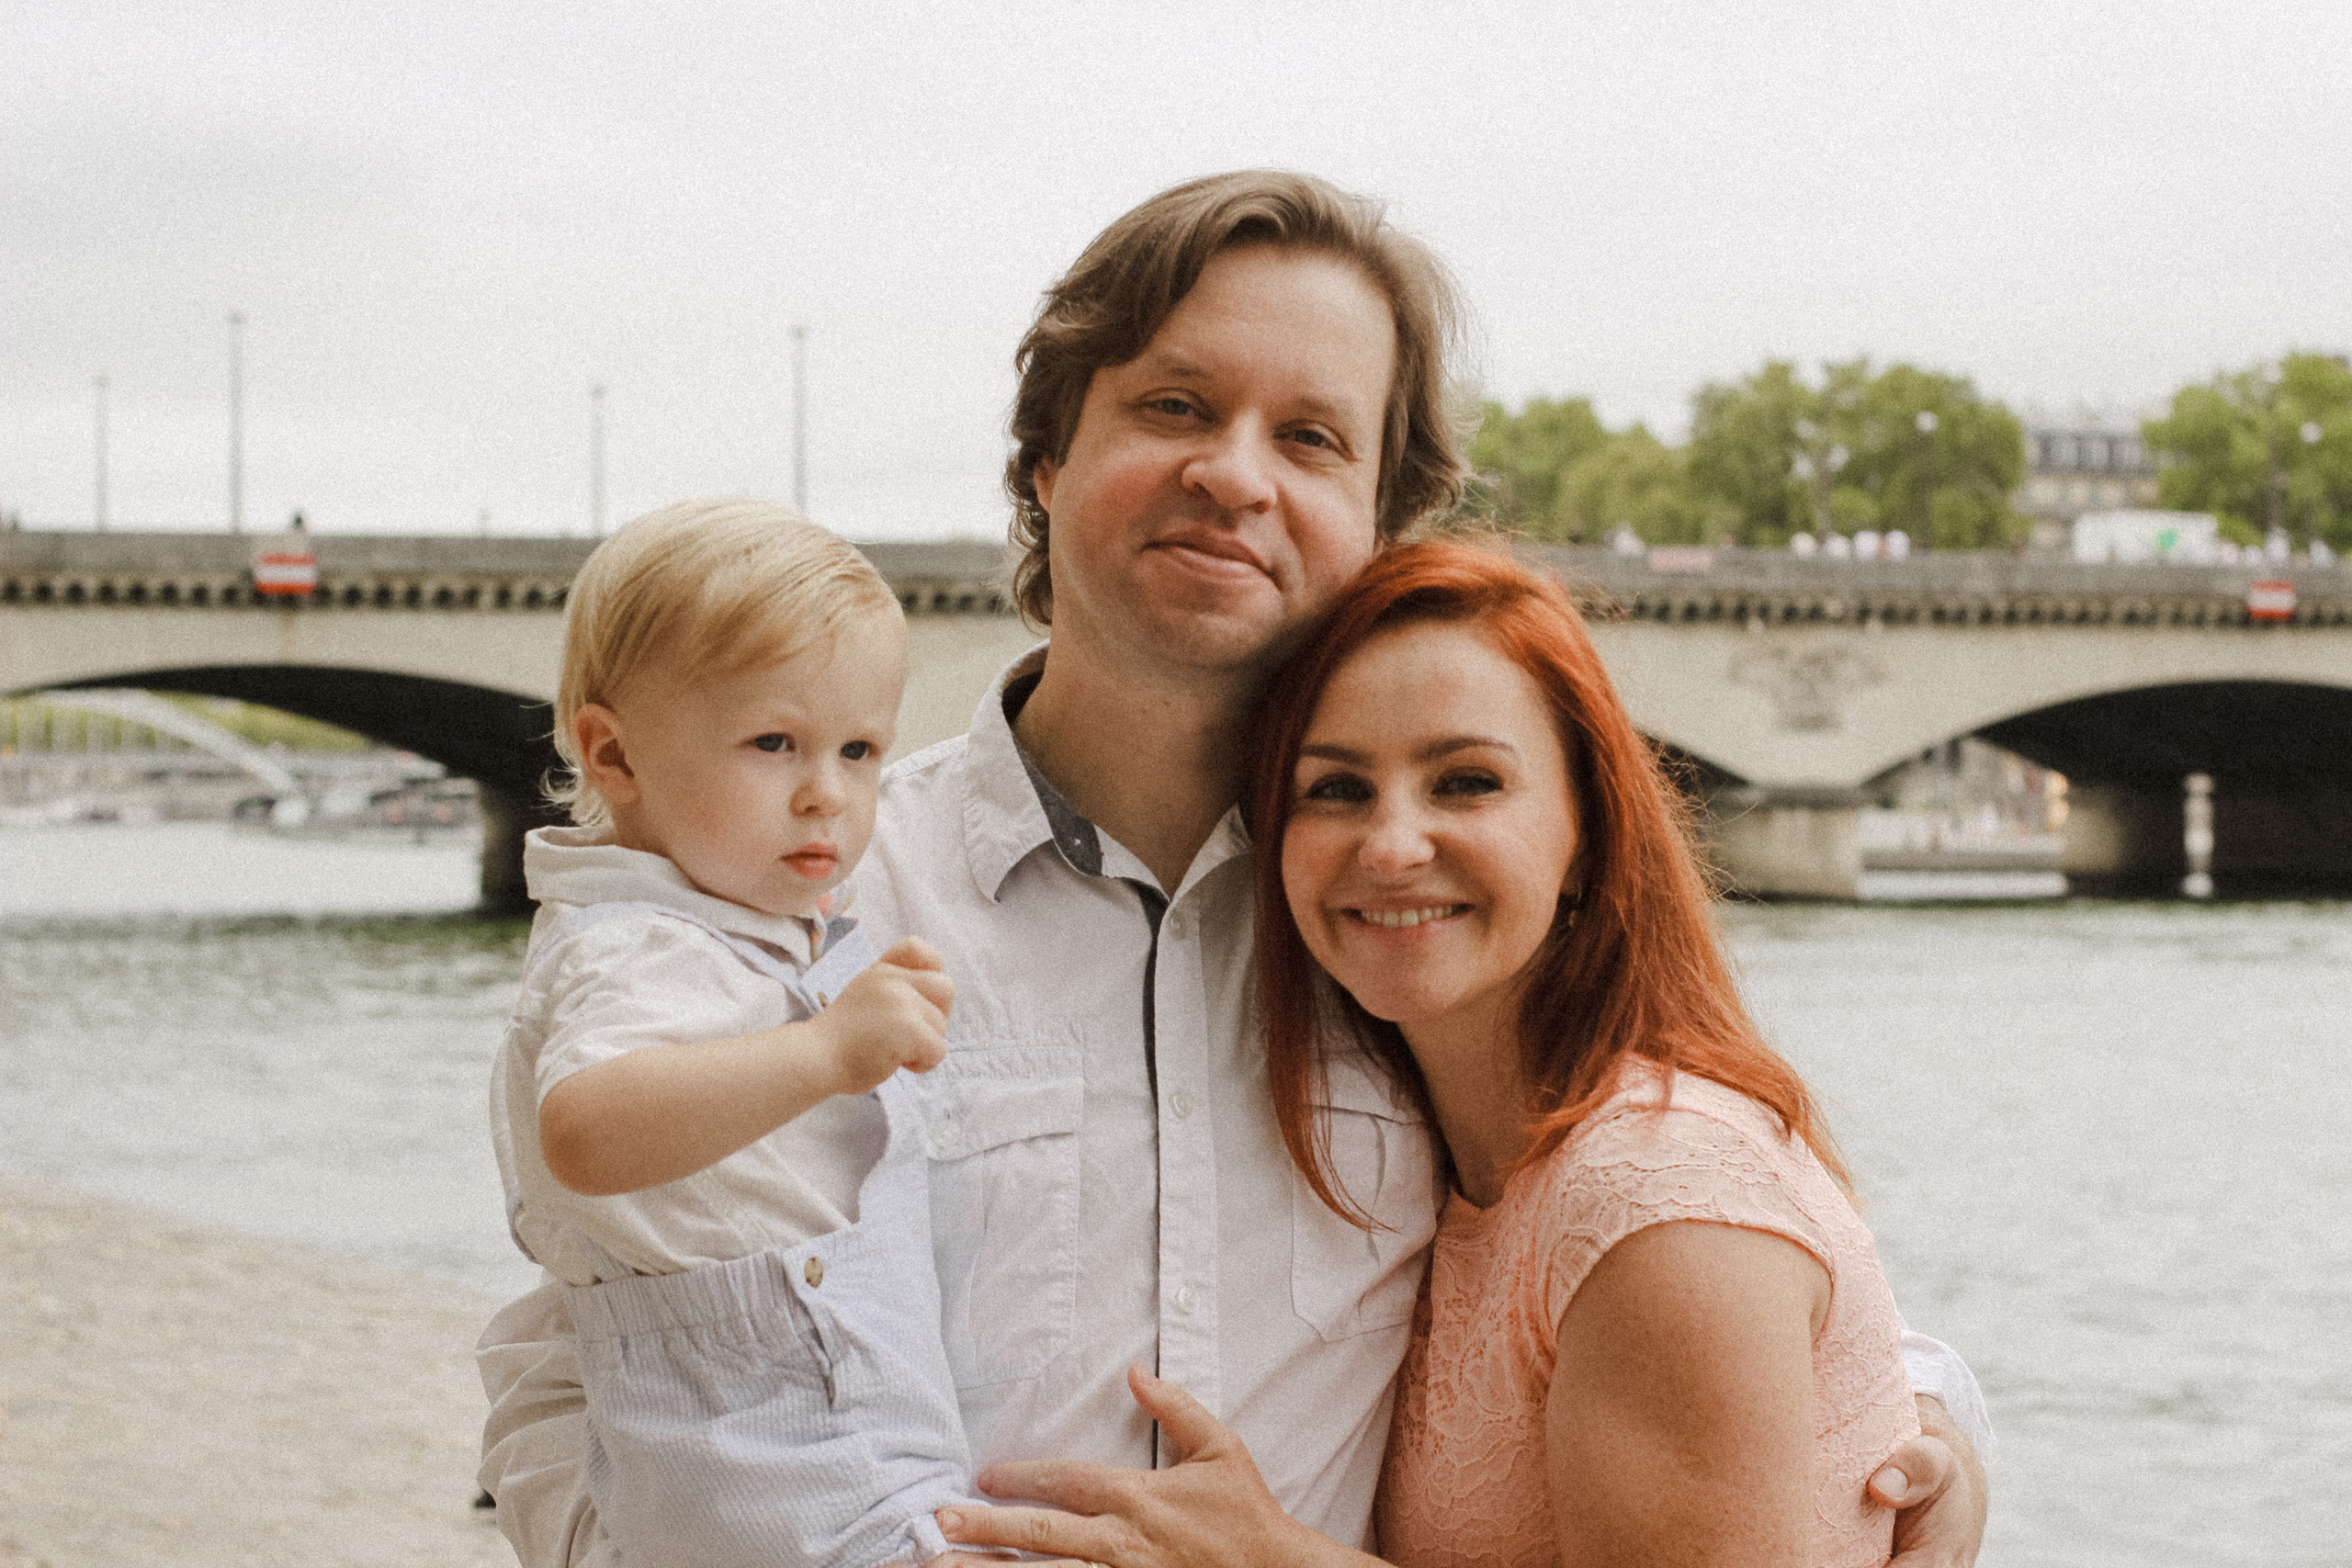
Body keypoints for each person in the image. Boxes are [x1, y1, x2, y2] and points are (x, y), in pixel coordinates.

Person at [477, 171, 1990, 1567]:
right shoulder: (807, 897)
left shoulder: (1405, 920)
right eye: (1176, 405)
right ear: (1048, 456)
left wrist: (1924, 1422)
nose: (1235, 475)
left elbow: (1650, 1200)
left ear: (1381, 523)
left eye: (1312, 436)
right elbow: (591, 1345)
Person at [936, 541, 1924, 1566]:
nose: (1393, 844)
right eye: (1334, 791)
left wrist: (1275, 1560)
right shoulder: (1454, 1163)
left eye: (1465, 782)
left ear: (1586, 832)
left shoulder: (1658, 1197)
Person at [489, 497, 976, 1567]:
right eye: (774, 743)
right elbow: (587, 1127)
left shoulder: (745, 927)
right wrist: (827, 1052)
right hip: (766, 1456)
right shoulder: (635, 946)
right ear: (614, 758)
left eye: (859, 751)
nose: (826, 795)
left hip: (821, 1445)